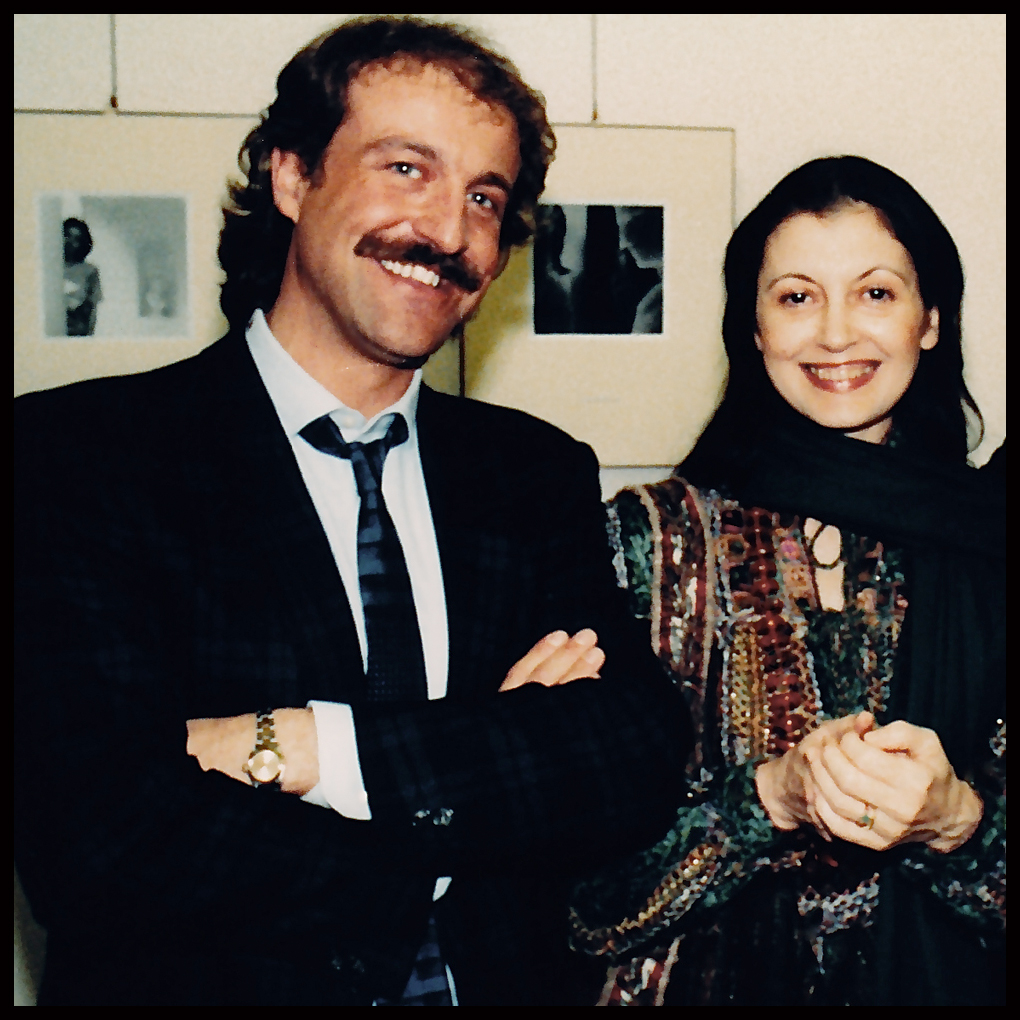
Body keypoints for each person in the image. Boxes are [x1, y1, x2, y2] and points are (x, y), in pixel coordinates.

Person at [14, 18, 688, 1007]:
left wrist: (302, 747)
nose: (448, 231)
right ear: (292, 177)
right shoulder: (78, 457)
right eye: (406, 168)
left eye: (484, 196)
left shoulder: (532, 472)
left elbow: (631, 757)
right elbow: (97, 839)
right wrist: (485, 772)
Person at [568, 156, 1005, 1006]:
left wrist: (957, 821)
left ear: (929, 321)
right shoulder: (644, 541)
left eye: (875, 293)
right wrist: (769, 797)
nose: (836, 334)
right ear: (754, 327)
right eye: (798, 296)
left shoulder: (990, 540)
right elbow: (584, 907)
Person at [62, 217, 102, 335]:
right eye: (67, 236)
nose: (70, 242)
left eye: (76, 239)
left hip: (76, 330)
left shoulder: (89, 271)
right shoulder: (50, 269)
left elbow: (92, 307)